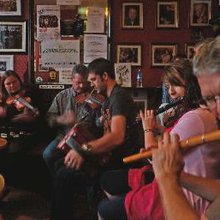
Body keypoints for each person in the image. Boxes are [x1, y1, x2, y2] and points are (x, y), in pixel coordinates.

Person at [97, 58, 220, 219]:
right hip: (179, 183)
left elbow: (153, 155)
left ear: (192, 86)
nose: (171, 92)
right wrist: (160, 130)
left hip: (187, 196)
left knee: (106, 208)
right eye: (168, 87)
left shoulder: (196, 117)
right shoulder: (196, 116)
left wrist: (147, 128)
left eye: (176, 85)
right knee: (109, 185)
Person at [50, 58, 139, 220]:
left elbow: (117, 136)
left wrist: (83, 151)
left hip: (119, 161)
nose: (91, 84)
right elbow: (103, 132)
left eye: (93, 80)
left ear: (104, 76)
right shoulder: (107, 101)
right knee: (59, 164)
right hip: (107, 156)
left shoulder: (119, 97)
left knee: (64, 174)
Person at [43, 64, 102, 176]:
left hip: (87, 138)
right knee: (48, 154)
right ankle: (59, 180)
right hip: (64, 137)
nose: (82, 86)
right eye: (78, 82)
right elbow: (49, 119)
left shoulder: (95, 96)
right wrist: (60, 119)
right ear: (71, 80)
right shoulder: (62, 96)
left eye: (85, 82)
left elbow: (99, 125)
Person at [0, 70, 41, 153]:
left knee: (13, 149)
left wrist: (32, 117)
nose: (12, 85)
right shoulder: (3, 99)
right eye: (8, 84)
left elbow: (40, 115)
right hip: (6, 133)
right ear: (4, 86)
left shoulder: (30, 94)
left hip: (25, 133)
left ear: (19, 81)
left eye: (14, 82)